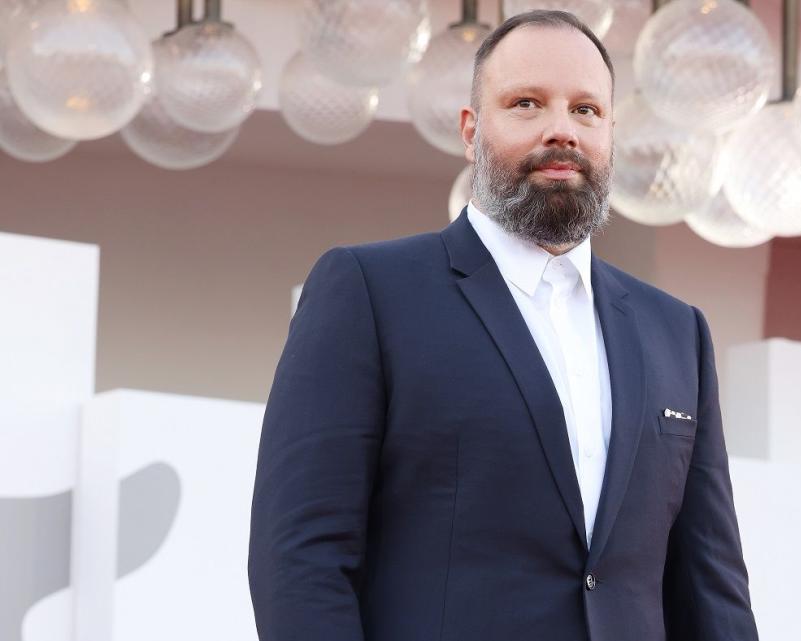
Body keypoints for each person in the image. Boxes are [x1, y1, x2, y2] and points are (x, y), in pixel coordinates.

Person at [248, 10, 758, 641]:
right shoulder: (370, 291)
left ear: (610, 134)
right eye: (526, 104)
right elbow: (300, 559)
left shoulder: (676, 332)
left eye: (586, 110)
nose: (561, 130)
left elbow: (711, 585)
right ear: (471, 130)